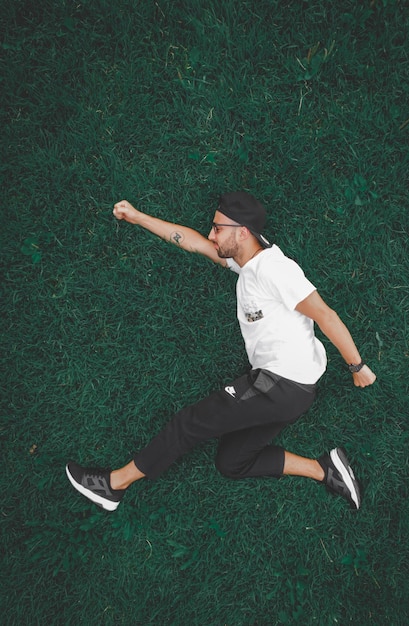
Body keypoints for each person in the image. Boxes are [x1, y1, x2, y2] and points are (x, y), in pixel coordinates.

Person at [66, 191, 376, 512]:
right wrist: (137, 216)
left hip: (279, 383)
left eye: (217, 228)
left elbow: (325, 314)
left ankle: (113, 485)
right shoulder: (247, 261)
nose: (211, 234)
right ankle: (324, 469)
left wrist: (357, 366)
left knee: (189, 423)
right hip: (293, 392)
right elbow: (194, 243)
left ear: (242, 232)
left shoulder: (275, 270)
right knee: (232, 462)